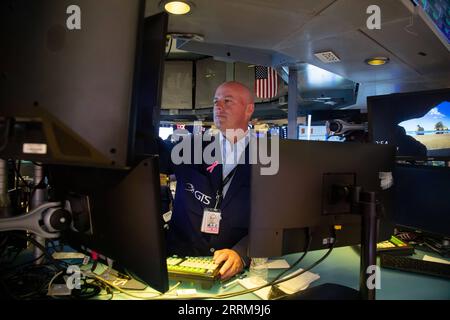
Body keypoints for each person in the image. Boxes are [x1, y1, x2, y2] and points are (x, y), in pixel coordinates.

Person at [161, 81, 254, 280]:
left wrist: (242, 252)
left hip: (230, 271)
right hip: (179, 263)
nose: (218, 107)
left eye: (227, 101)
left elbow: (273, 222)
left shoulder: (268, 158)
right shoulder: (188, 148)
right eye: (215, 102)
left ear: (249, 109)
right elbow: (149, 155)